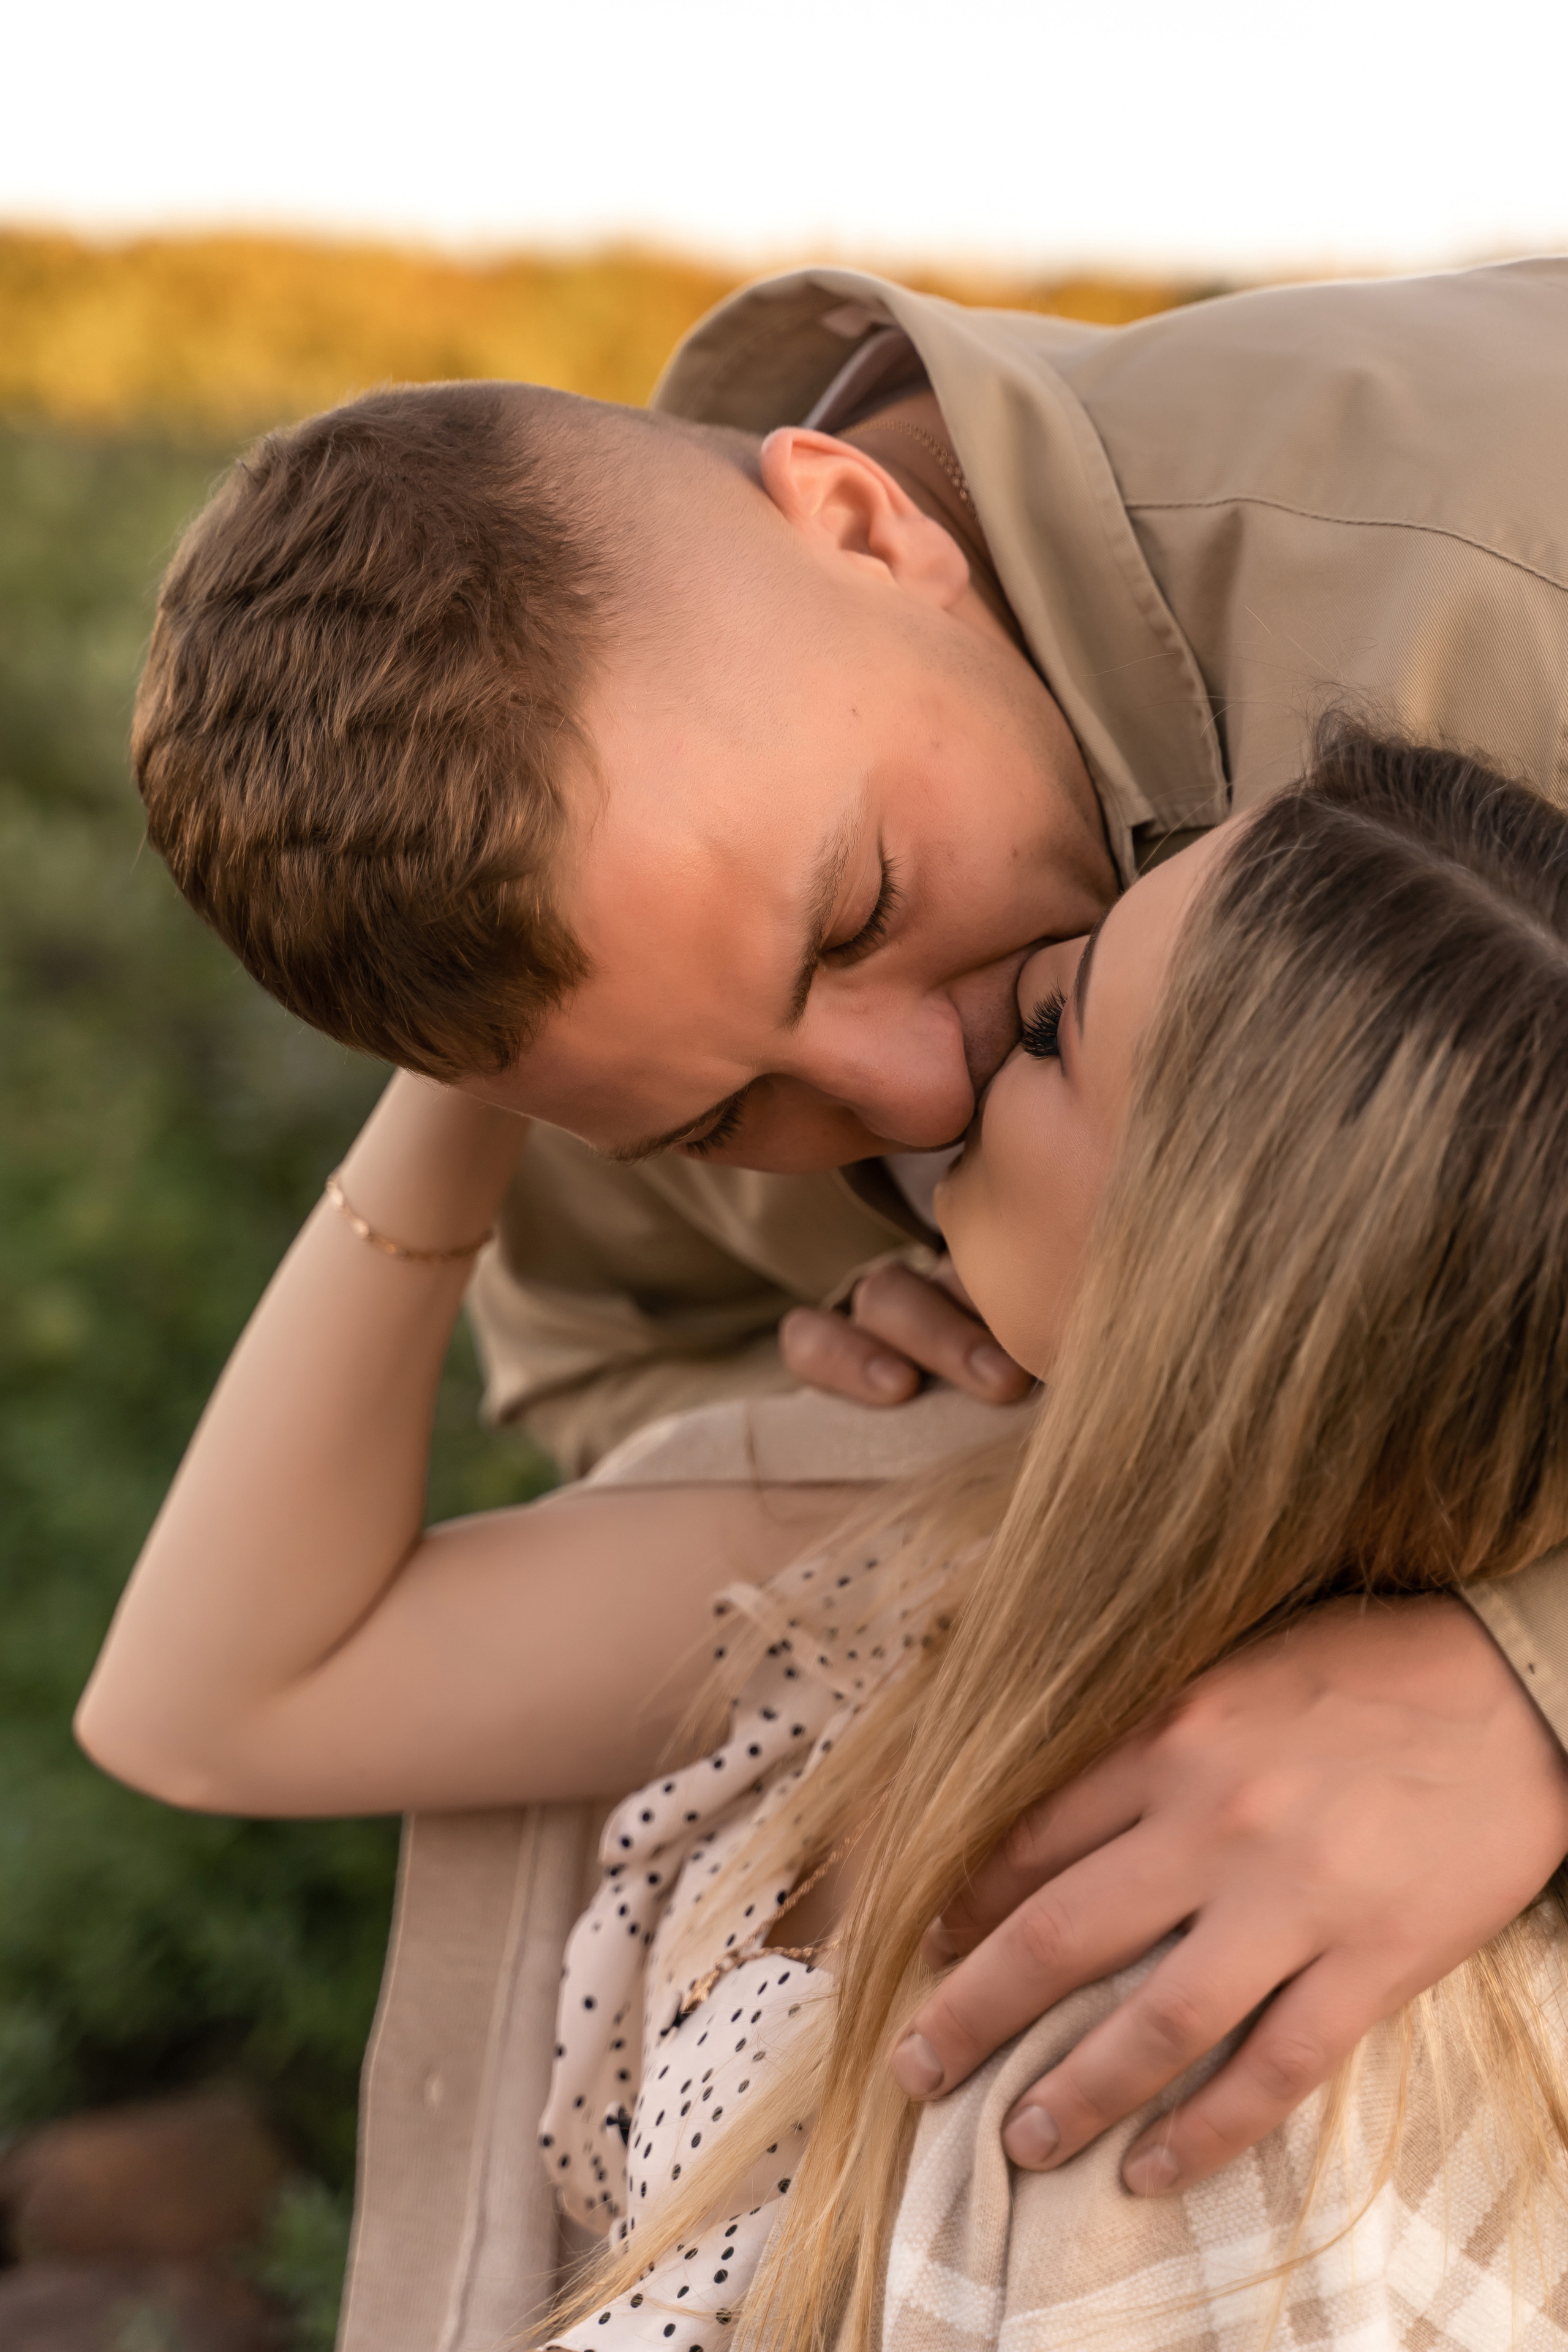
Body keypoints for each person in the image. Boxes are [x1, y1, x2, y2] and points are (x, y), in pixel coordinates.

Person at [124, 257, 1568, 2192]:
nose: (905, 1100)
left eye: (858, 905)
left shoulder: (1498, 569)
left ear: (869, 526)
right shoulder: (629, 995)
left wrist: (1524, 1696)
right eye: (736, 1116)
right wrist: (911, 1401)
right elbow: (616, 1392)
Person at [79, 733, 1568, 2345]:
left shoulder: (1262, 2082)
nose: (974, 1034)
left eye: (1062, 1026)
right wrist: (493, 1015)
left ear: (1202, 1296)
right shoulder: (925, 1536)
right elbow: (221, 1699)